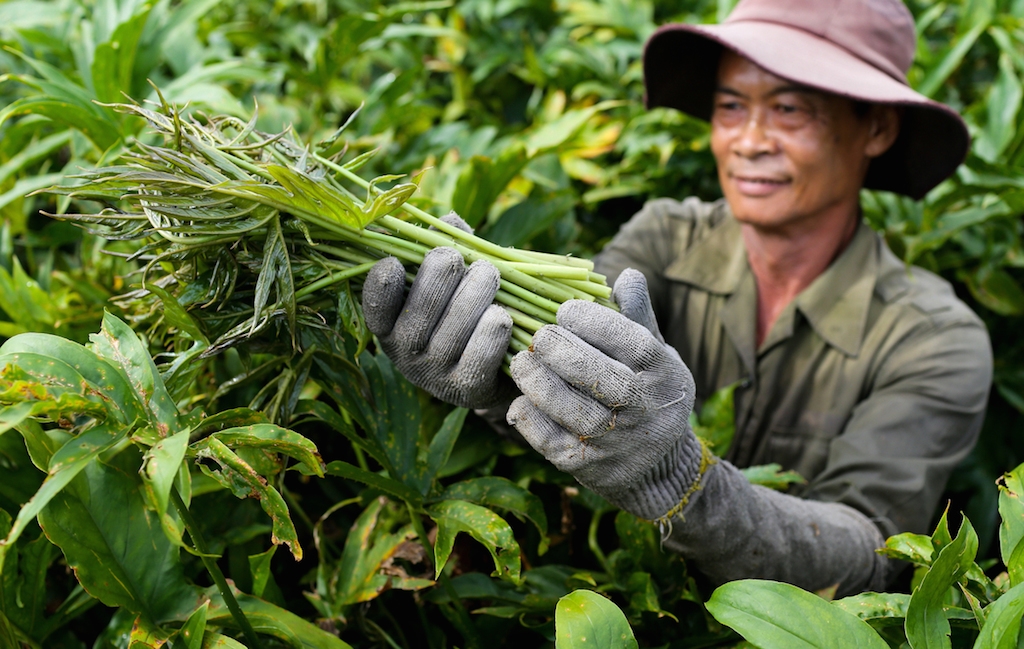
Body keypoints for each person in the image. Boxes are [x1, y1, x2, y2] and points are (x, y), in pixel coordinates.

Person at [360, 0, 993, 597]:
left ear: (877, 127)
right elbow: (566, 350)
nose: (748, 140)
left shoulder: (933, 336)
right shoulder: (663, 237)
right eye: (729, 106)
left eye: (790, 110)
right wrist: (496, 378)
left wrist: (683, 480)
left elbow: (870, 548)